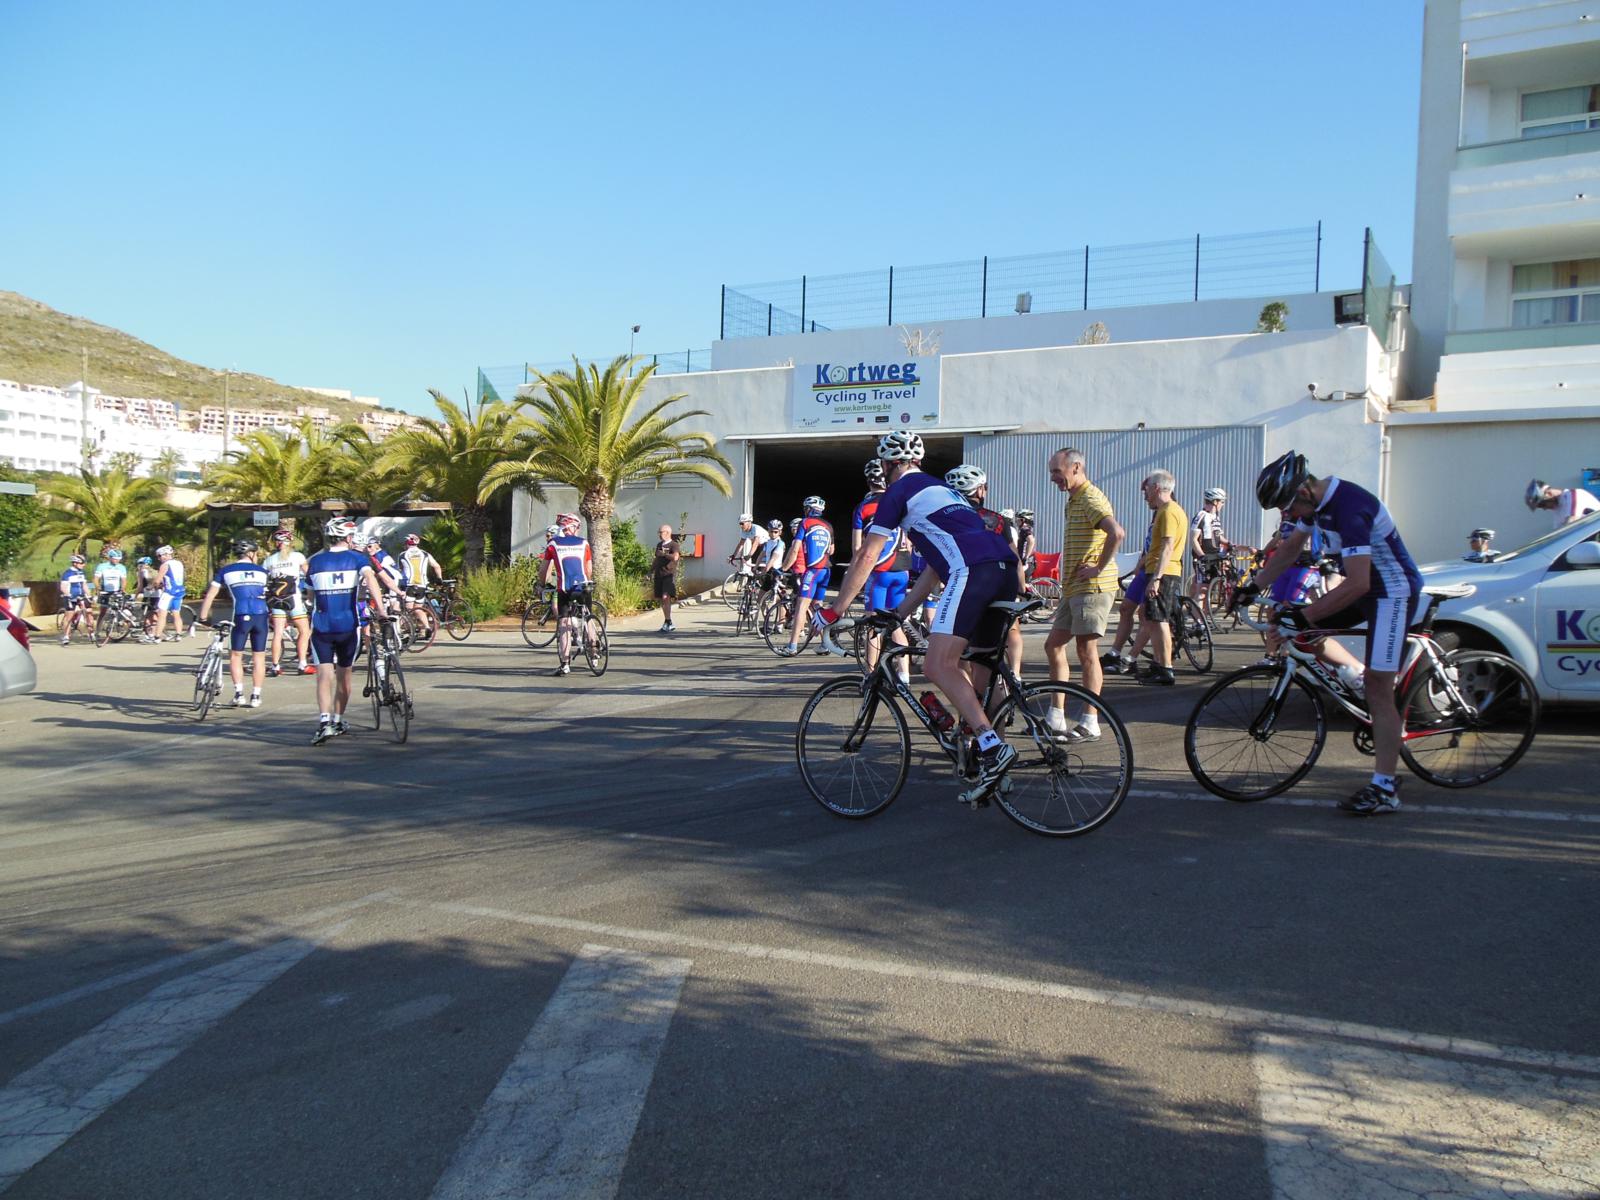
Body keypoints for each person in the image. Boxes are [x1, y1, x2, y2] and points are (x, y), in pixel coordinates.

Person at [813, 430, 1020, 806]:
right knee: (982, 672)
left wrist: (834, 609)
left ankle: (992, 746)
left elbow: (867, 555)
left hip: (973, 572)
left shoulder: (897, 493)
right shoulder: (944, 491)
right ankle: (998, 767)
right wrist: (898, 615)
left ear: (889, 464)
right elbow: (935, 569)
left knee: (937, 665)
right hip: (1003, 571)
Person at [1242, 450, 1424, 816]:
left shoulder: (1350, 508)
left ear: (1304, 492)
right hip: (1366, 590)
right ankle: (1355, 673)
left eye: (1288, 508)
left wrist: (1306, 615)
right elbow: (1289, 549)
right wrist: (1251, 586)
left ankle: (1385, 788)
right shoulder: (1315, 505)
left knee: (1379, 688)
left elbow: (1357, 583)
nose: (1289, 516)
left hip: (1391, 593)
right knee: (1301, 632)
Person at [1045, 447, 1124, 741]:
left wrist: (1098, 567)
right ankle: (1055, 717)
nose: (1053, 478)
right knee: (1053, 645)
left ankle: (1091, 721)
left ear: (1076, 467)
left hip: (1092, 588)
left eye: (1057, 471)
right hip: (1073, 588)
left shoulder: (1091, 498)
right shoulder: (1074, 499)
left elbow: (1116, 532)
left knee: (1086, 651)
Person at [306, 516, 387, 744]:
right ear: (349, 538)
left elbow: (310, 595)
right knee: (344, 676)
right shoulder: (356, 558)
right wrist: (381, 610)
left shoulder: (315, 562)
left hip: (322, 626)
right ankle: (338, 720)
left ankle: (324, 722)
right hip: (348, 626)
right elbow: (371, 579)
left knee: (324, 675)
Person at [944, 465, 1025, 678]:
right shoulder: (998, 519)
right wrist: (1021, 589)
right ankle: (1015, 675)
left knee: (957, 655)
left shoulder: (948, 518)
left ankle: (967, 695)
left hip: (966, 586)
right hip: (1001, 583)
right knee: (999, 642)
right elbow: (1015, 559)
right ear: (980, 490)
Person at [1123, 471, 1187, 686]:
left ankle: (1165, 668)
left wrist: (1157, 578)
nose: (1145, 494)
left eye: (1147, 489)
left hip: (1164, 572)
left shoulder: (1168, 511)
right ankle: (1159, 665)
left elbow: (1168, 546)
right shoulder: (1166, 511)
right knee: (1152, 619)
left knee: (1159, 621)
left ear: (1157, 488)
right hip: (1160, 570)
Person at [852, 460, 911, 680]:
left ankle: (870, 675)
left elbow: (858, 549)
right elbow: (909, 542)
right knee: (896, 624)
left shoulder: (863, 507)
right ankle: (904, 675)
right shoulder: (900, 502)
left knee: (873, 626)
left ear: (868, 482)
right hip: (902, 569)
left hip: (879, 571)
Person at [198, 538, 272, 708]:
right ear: (251, 554)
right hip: (261, 616)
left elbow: (210, 595)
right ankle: (256, 696)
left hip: (240, 614)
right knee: (259, 657)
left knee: (236, 655)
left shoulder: (226, 571)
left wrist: (203, 617)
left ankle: (239, 694)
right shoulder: (263, 571)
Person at [542, 512, 598, 676]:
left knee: (564, 623)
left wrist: (541, 584)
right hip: (583, 587)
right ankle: (594, 650)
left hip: (565, 589)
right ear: (574, 528)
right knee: (588, 617)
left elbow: (544, 570)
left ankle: (565, 663)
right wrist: (585, 580)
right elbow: (588, 569)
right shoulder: (584, 543)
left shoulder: (553, 544)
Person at [782, 496, 833, 655]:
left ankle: (792, 646)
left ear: (808, 509)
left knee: (801, 607)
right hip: (826, 570)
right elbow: (832, 550)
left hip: (813, 571)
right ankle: (825, 643)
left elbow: (795, 549)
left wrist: (783, 568)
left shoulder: (805, 523)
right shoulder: (828, 526)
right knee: (817, 606)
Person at [263, 528, 314, 675]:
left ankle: (275, 666)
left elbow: (264, 580)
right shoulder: (298, 556)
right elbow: (309, 576)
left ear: (276, 543)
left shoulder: (269, 560)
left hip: (276, 599)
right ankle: (302, 664)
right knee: (304, 631)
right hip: (294, 598)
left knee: (278, 633)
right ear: (290, 542)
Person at [1189, 488, 1229, 613]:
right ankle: (1198, 621)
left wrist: (1229, 543)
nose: (1223, 504)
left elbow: (1217, 536)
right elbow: (1193, 539)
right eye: (1222, 502)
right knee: (1202, 591)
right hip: (1204, 556)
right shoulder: (1201, 515)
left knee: (1207, 591)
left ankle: (1204, 617)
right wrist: (1202, 556)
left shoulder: (1215, 516)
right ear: (1215, 502)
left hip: (1214, 556)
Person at [398, 533, 443, 635]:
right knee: (418, 609)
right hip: (422, 585)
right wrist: (439, 579)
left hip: (409, 585)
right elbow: (436, 566)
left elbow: (399, 571)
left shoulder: (402, 555)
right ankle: (427, 627)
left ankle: (400, 630)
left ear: (407, 543)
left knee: (408, 610)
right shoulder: (425, 554)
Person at [1526, 478, 1600, 528]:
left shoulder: (1574, 495)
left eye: (1542, 505)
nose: (1544, 509)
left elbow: (1571, 525)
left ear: (1549, 494)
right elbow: (1558, 535)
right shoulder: (1557, 510)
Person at [151, 545, 187, 641]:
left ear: (165, 555)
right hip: (179, 591)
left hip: (169, 592)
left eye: (159, 556)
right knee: (176, 613)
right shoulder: (179, 563)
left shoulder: (165, 565)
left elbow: (157, 580)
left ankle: (157, 637)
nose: (159, 558)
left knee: (162, 614)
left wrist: (154, 587)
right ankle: (178, 635)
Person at [652, 524, 680, 633]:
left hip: (669, 574)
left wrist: (664, 554)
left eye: (661, 532)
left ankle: (668, 621)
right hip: (659, 574)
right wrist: (650, 571)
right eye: (659, 532)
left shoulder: (674, 545)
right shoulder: (659, 544)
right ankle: (668, 621)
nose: (659, 534)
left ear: (667, 533)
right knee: (662, 598)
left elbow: (675, 557)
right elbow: (656, 559)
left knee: (665, 596)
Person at [58, 553, 91, 646]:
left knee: (88, 613)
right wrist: (67, 594)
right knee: (69, 617)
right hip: (71, 597)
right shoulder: (67, 573)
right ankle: (66, 636)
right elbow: (63, 587)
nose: (83, 565)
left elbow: (84, 585)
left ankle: (91, 633)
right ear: (75, 563)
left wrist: (89, 595)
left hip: (81, 596)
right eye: (81, 563)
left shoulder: (81, 572)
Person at [93, 547, 128, 621]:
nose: (117, 561)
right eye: (115, 559)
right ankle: (98, 627)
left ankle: (122, 623)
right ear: (110, 558)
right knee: (103, 612)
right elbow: (96, 579)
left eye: (119, 559)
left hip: (117, 590)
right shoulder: (102, 566)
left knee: (122, 609)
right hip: (105, 591)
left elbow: (124, 580)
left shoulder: (122, 567)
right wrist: (98, 587)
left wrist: (123, 588)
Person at [133, 555, 161, 642]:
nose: (139, 566)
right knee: (147, 614)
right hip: (147, 595)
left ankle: (155, 633)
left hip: (156, 595)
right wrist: (135, 597)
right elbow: (140, 586)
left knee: (154, 614)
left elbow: (158, 583)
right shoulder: (140, 573)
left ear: (147, 564)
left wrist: (152, 587)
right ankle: (148, 634)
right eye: (139, 564)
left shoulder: (153, 572)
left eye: (141, 564)